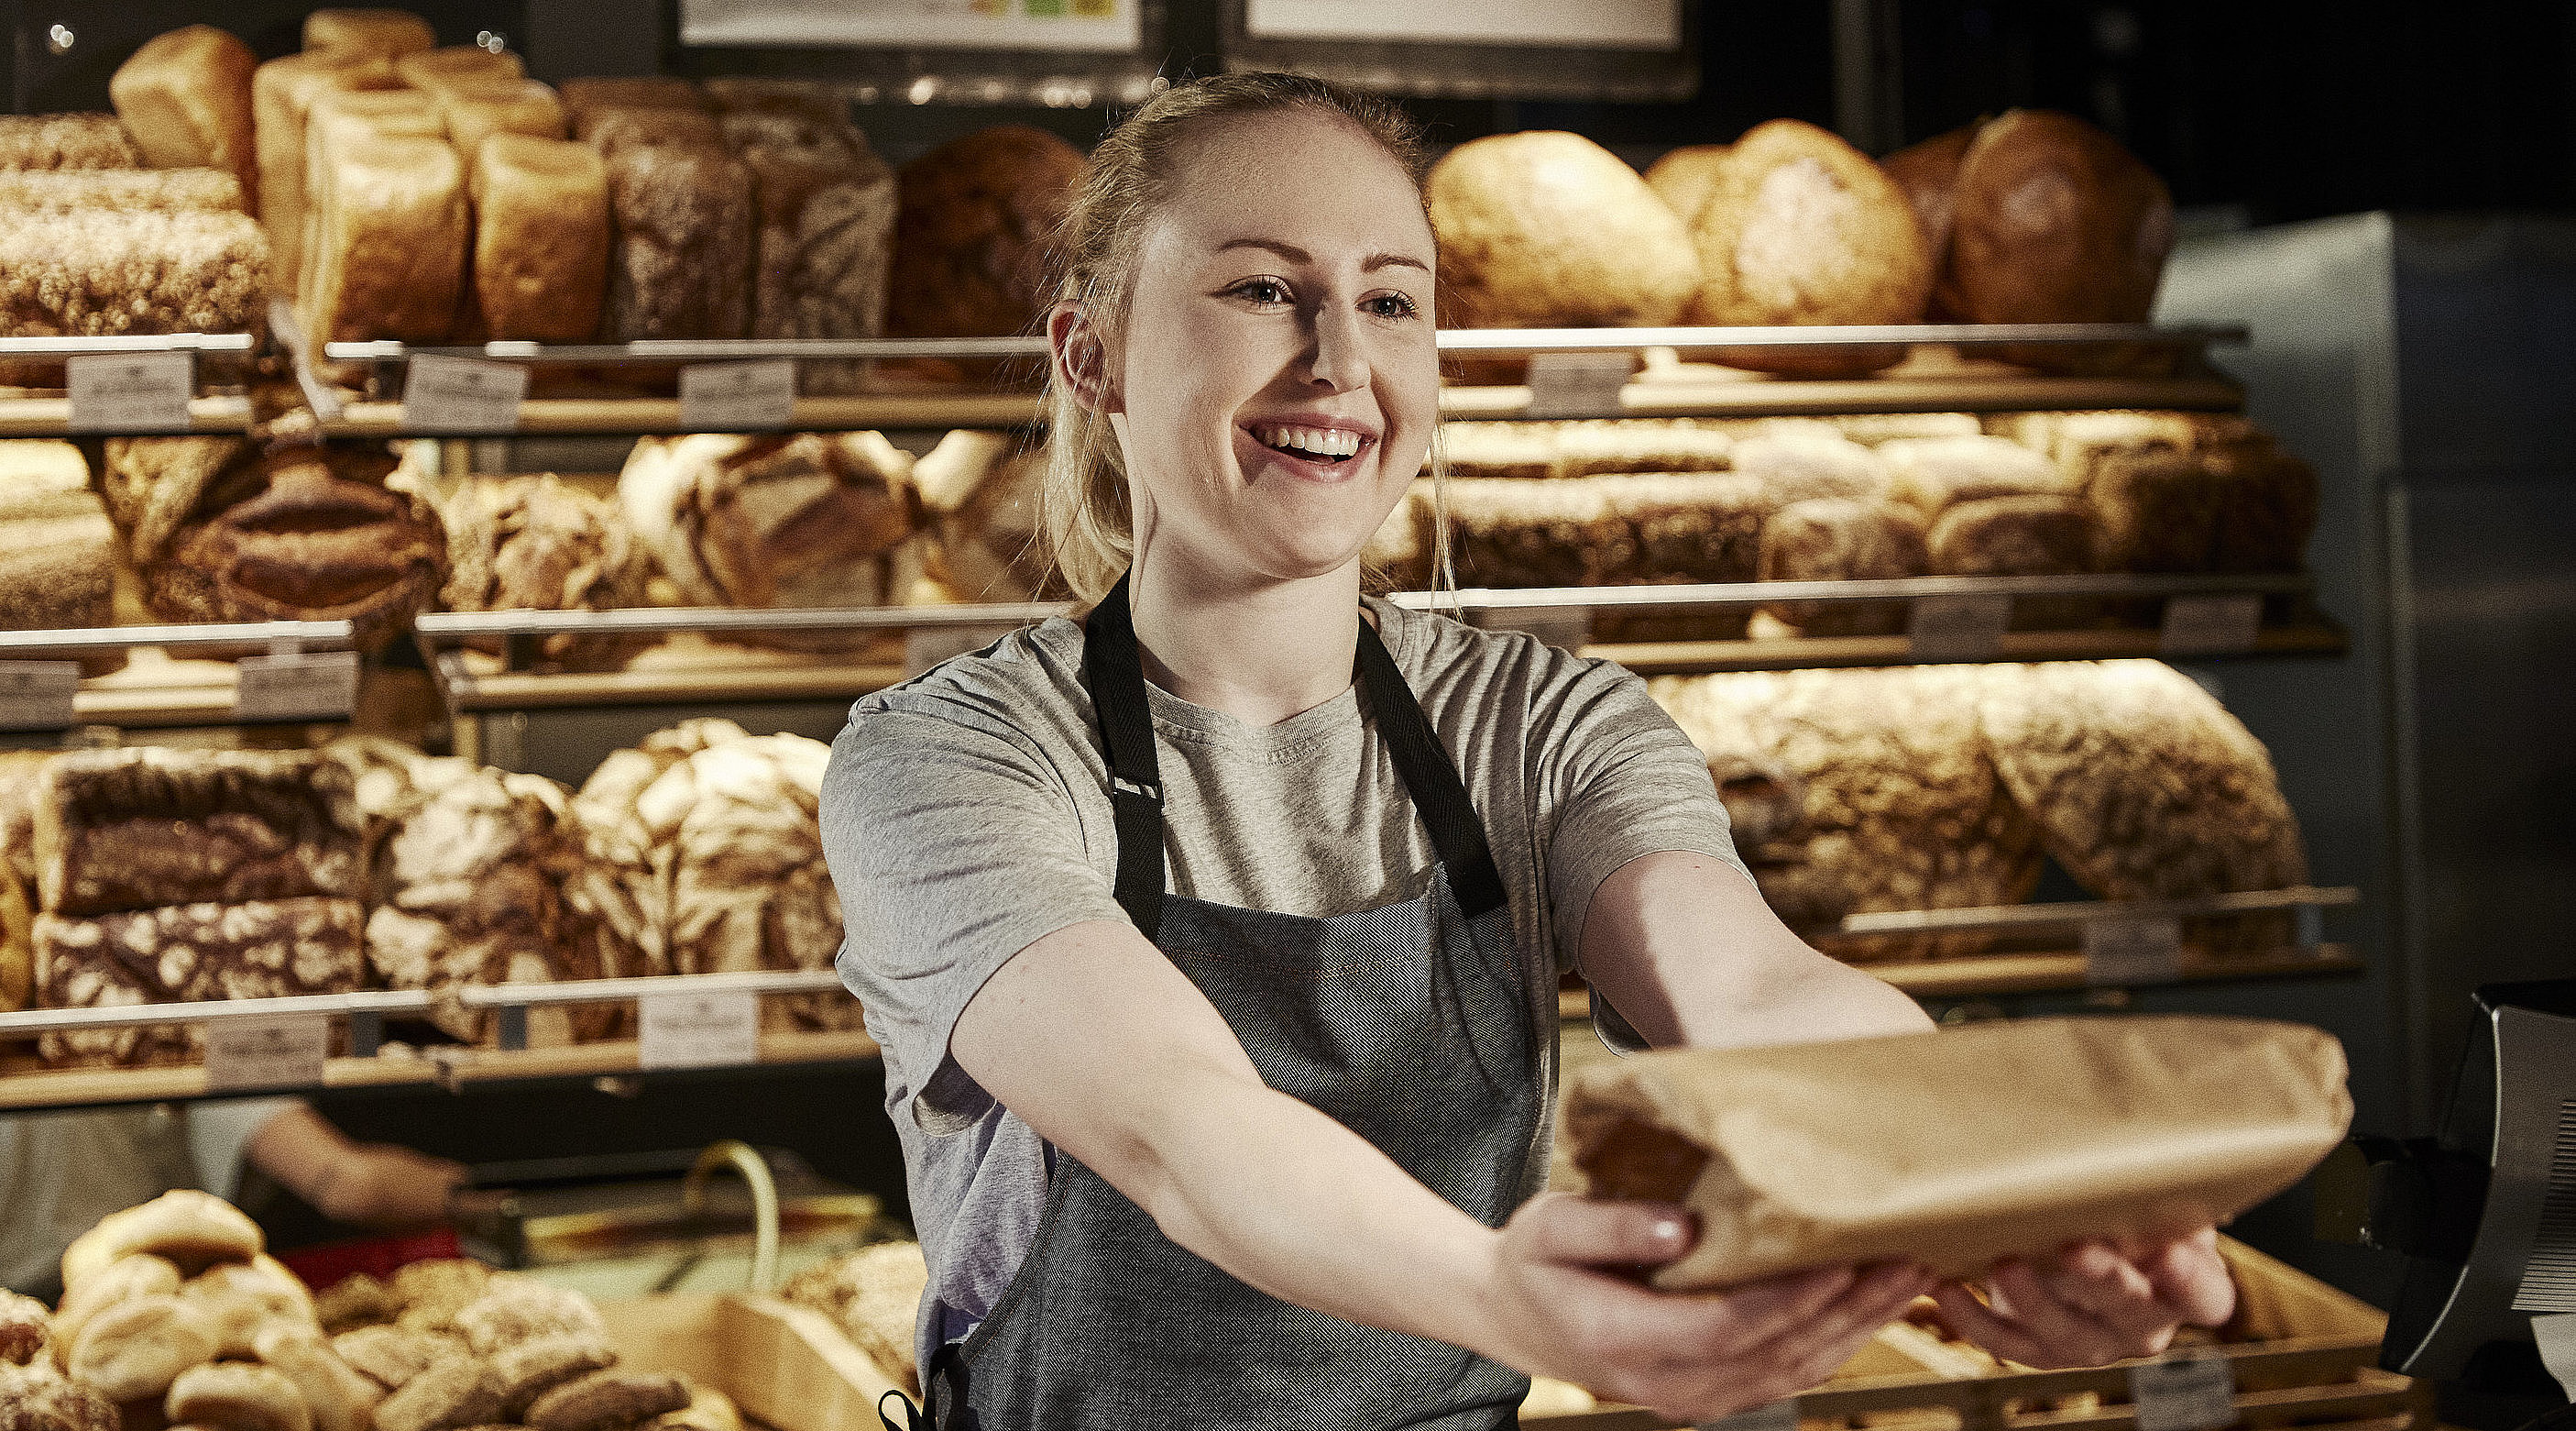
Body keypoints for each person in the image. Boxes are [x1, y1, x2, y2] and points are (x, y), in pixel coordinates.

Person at [822, 72, 2237, 1429]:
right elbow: (1176, 1125)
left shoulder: (1544, 724)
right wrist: (1498, 1291)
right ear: (1094, 353)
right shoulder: (951, 761)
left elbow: (1749, 989)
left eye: (1389, 300)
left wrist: (2000, 1178)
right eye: (1263, 290)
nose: (1339, 361)